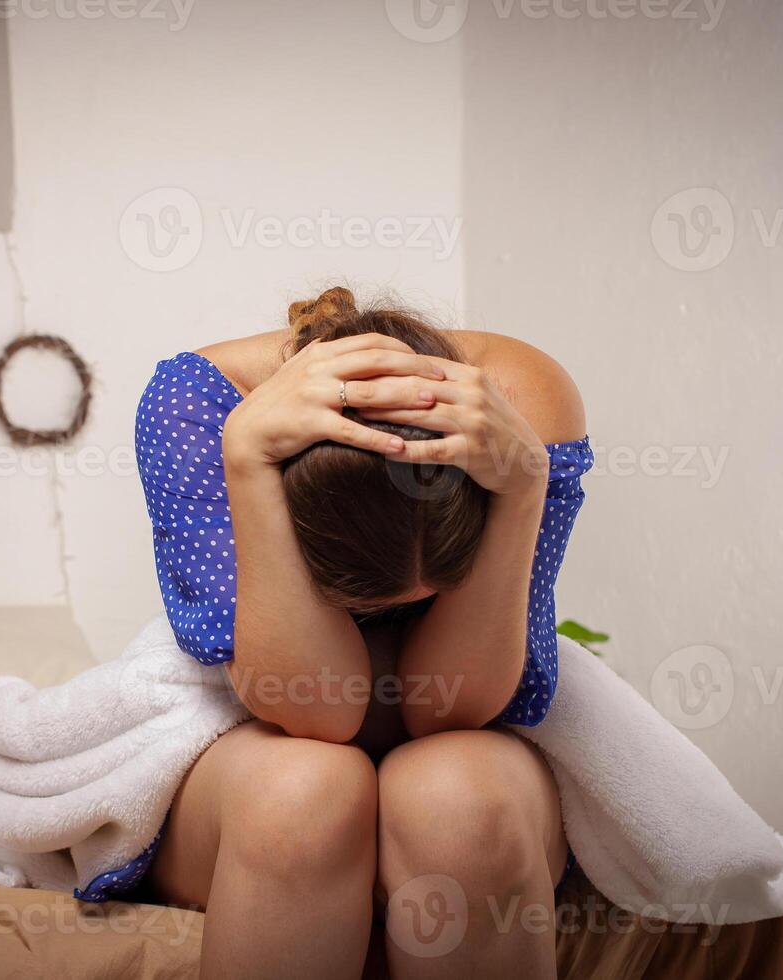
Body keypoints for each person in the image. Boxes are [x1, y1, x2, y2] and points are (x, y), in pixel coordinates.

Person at [132, 287, 593, 978]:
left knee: (460, 801)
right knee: (304, 794)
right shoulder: (197, 402)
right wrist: (248, 465)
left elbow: (450, 709)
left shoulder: (524, 396)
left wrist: (522, 492)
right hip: (272, 738)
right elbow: (316, 708)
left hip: (462, 743)